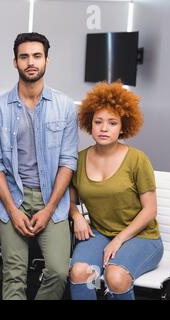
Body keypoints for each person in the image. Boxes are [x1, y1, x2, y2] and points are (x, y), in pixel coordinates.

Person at [0, 32, 79, 300]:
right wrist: (13, 211)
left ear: (47, 60)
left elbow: (68, 161)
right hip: (12, 198)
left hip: (53, 199)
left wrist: (49, 208)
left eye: (37, 56)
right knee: (13, 274)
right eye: (24, 56)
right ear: (15, 62)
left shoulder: (64, 106)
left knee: (59, 271)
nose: (31, 62)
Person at [69, 81, 163, 300]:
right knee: (80, 272)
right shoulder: (79, 159)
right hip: (100, 233)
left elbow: (150, 210)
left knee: (116, 276)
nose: (104, 128)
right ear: (89, 124)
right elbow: (70, 201)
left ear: (123, 127)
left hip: (142, 237)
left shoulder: (137, 159)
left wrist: (119, 239)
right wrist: (76, 216)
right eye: (98, 122)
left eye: (112, 123)